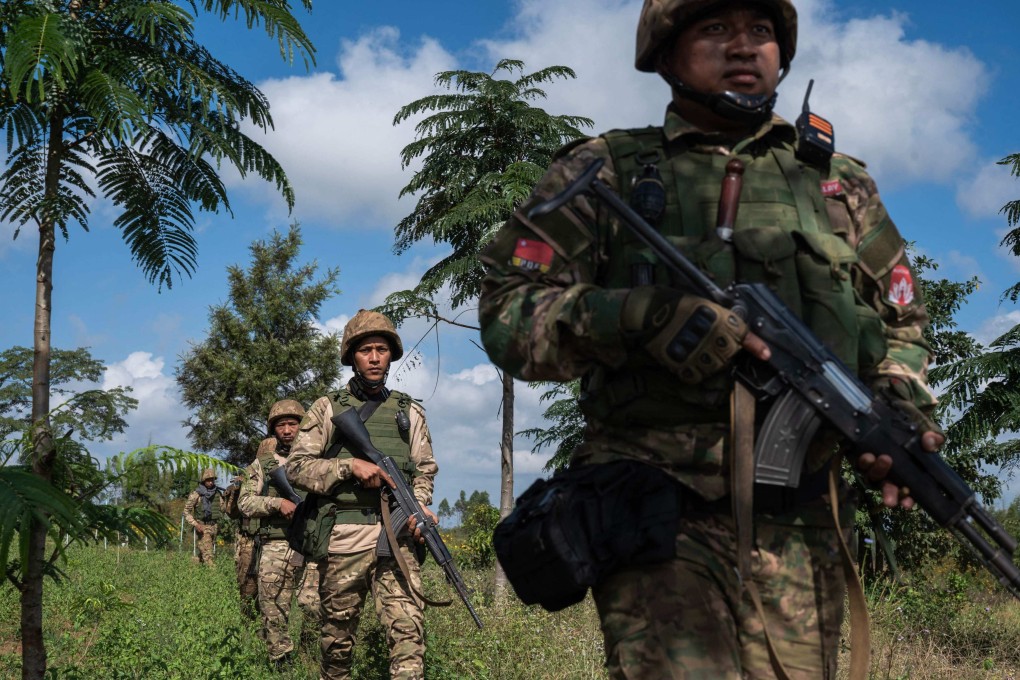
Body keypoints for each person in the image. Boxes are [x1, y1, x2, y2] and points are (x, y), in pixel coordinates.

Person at [477, 0, 944, 677]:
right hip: (659, 510)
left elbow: (904, 318)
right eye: (716, 29)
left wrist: (896, 409)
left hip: (801, 524)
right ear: (666, 55)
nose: (744, 48)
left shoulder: (840, 186)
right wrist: (637, 317)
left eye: (761, 32)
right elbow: (507, 311)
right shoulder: (606, 171)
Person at [287, 309, 439, 680]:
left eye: (382, 350)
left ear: (391, 355)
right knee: (336, 645)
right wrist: (347, 467)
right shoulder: (327, 408)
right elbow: (296, 467)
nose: (374, 357)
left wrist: (420, 507)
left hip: (398, 539)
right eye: (366, 350)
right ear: (352, 356)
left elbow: (424, 470)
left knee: (409, 637)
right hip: (344, 538)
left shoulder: (410, 411)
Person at [237, 399, 322, 668]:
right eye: (281, 425)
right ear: (273, 430)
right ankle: (281, 663)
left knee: (314, 605)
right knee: (273, 607)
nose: (287, 430)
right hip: (277, 543)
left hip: (313, 544)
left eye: (293, 424)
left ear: (304, 426)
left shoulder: (321, 458)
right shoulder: (264, 463)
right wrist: (277, 503)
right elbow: (245, 502)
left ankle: (312, 655)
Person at [223, 472, 259, 619]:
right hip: (248, 541)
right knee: (247, 585)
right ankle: (248, 622)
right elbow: (231, 513)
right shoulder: (243, 487)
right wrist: (236, 492)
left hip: (272, 540)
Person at [183, 468, 226, 568]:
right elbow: (186, 511)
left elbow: (223, 509)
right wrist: (196, 524)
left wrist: (229, 497)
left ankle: (193, 567)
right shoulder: (196, 494)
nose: (211, 482)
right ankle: (214, 577)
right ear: (203, 480)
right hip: (202, 526)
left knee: (203, 553)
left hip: (214, 526)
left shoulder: (217, 494)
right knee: (209, 554)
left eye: (212, 480)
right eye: (208, 480)